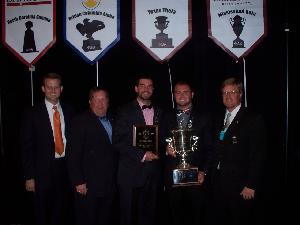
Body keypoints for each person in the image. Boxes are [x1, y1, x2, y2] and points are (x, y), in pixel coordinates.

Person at [208, 77, 267, 225]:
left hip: (241, 186)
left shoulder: (253, 119)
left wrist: (251, 184)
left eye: (232, 92)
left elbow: (258, 155)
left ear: (240, 94)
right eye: (224, 93)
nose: (227, 96)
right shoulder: (217, 118)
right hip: (218, 184)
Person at [20, 72, 74, 225]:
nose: (52, 90)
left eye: (56, 87)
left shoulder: (70, 110)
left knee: (61, 209)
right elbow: (26, 147)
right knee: (41, 211)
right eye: (49, 87)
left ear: (61, 89)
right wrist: (29, 176)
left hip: (64, 168)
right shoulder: (31, 113)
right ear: (43, 89)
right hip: (41, 171)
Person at [113, 74, 163, 225]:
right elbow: (117, 141)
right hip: (130, 173)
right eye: (142, 85)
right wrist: (142, 155)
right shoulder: (123, 111)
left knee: (149, 215)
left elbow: (163, 138)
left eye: (149, 86)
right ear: (136, 88)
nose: (146, 89)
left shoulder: (160, 112)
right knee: (128, 217)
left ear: (153, 89)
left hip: (153, 173)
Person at [160, 81, 213, 225]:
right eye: (177, 92)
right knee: (175, 216)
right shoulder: (165, 116)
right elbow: (159, 142)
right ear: (173, 95)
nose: (181, 95)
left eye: (185, 92)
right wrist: (165, 149)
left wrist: (204, 172)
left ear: (192, 94)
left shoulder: (204, 117)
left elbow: (210, 148)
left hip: (196, 176)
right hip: (172, 176)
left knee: (197, 216)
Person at [67, 87, 117, 225]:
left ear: (108, 102)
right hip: (88, 185)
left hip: (109, 184)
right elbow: (73, 154)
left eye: (103, 99)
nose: (100, 104)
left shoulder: (113, 119)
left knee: (105, 219)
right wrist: (78, 181)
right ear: (90, 102)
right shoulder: (80, 121)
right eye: (96, 100)